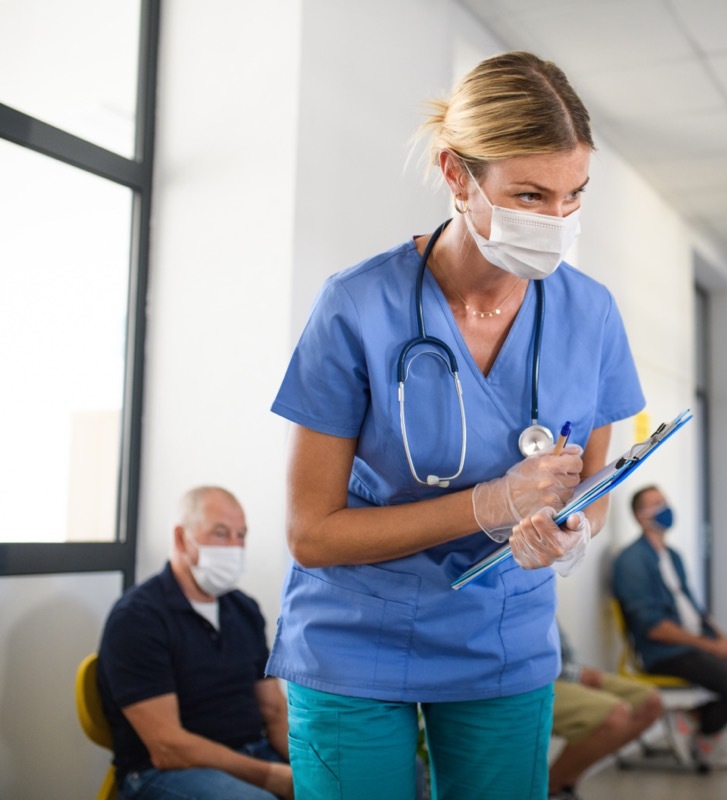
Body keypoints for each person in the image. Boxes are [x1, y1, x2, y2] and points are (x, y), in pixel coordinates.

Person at [268, 51, 644, 800]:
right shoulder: (355, 307)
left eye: (575, 195)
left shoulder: (590, 312)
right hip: (354, 641)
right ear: (456, 175)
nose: (557, 221)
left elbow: (593, 480)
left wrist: (573, 534)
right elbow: (311, 532)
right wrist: (486, 507)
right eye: (530, 194)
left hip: (502, 642)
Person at [96, 486, 292, 800]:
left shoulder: (243, 609)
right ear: (180, 538)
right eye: (220, 533)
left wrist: (308, 769)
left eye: (241, 535)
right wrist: (272, 777)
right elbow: (168, 748)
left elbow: (273, 710)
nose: (235, 547)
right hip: (164, 772)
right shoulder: (137, 619)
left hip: (250, 754)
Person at [611, 485, 727, 769]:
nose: (665, 508)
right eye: (656, 504)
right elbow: (654, 628)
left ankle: (693, 718)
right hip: (666, 653)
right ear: (639, 516)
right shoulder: (631, 561)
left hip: (700, 642)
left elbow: (697, 612)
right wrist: (712, 647)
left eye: (665, 501)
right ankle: (706, 730)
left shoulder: (672, 557)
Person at [548, 619, 664, 799]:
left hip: (566, 668)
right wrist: (574, 674)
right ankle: (551, 789)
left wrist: (577, 669)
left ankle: (562, 783)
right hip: (540, 678)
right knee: (615, 715)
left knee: (650, 702)